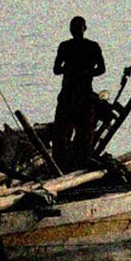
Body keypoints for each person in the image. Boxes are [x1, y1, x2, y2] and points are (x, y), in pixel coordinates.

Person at [51, 16, 106, 168]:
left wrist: (69, 70)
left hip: (67, 94)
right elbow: (101, 69)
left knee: (62, 131)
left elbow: (56, 69)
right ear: (85, 29)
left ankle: (61, 163)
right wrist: (87, 73)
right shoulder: (93, 46)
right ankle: (82, 160)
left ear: (71, 30)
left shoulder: (64, 46)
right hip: (85, 94)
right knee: (85, 131)